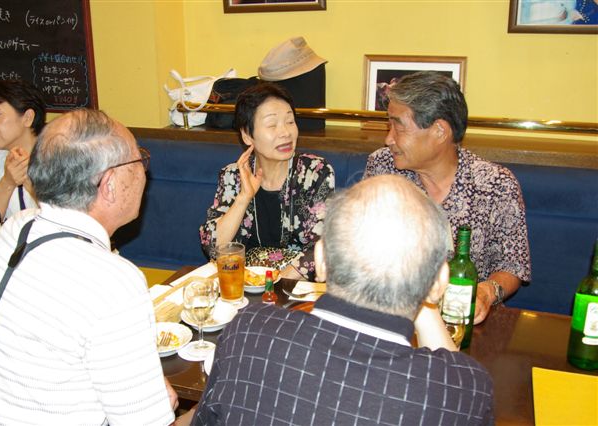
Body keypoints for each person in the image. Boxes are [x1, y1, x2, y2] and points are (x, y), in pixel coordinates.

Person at [192, 175, 494, 425]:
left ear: (320, 260)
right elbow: (453, 379)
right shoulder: (466, 390)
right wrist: (424, 290)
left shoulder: (250, 328)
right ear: (439, 282)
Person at [0, 109, 188, 425]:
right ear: (109, 185)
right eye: (139, 161)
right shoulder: (113, 282)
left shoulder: (17, 229)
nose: (145, 173)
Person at [363, 71, 531, 324]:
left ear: (440, 131)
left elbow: (513, 266)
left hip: (461, 319)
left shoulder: (495, 183)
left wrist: (487, 292)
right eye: (389, 125)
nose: (389, 139)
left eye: (399, 126)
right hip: (392, 313)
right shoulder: (382, 167)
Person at [199, 83, 335, 280]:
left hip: (297, 285)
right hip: (244, 283)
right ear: (247, 136)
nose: (285, 132)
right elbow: (213, 248)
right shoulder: (233, 175)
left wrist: (273, 284)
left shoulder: (315, 172)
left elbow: (323, 244)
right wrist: (244, 197)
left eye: (290, 121)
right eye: (272, 125)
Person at [0, 80, 46, 221]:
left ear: (27, 118)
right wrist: (7, 182)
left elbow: (68, 221)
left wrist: (31, 186)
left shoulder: (58, 155)